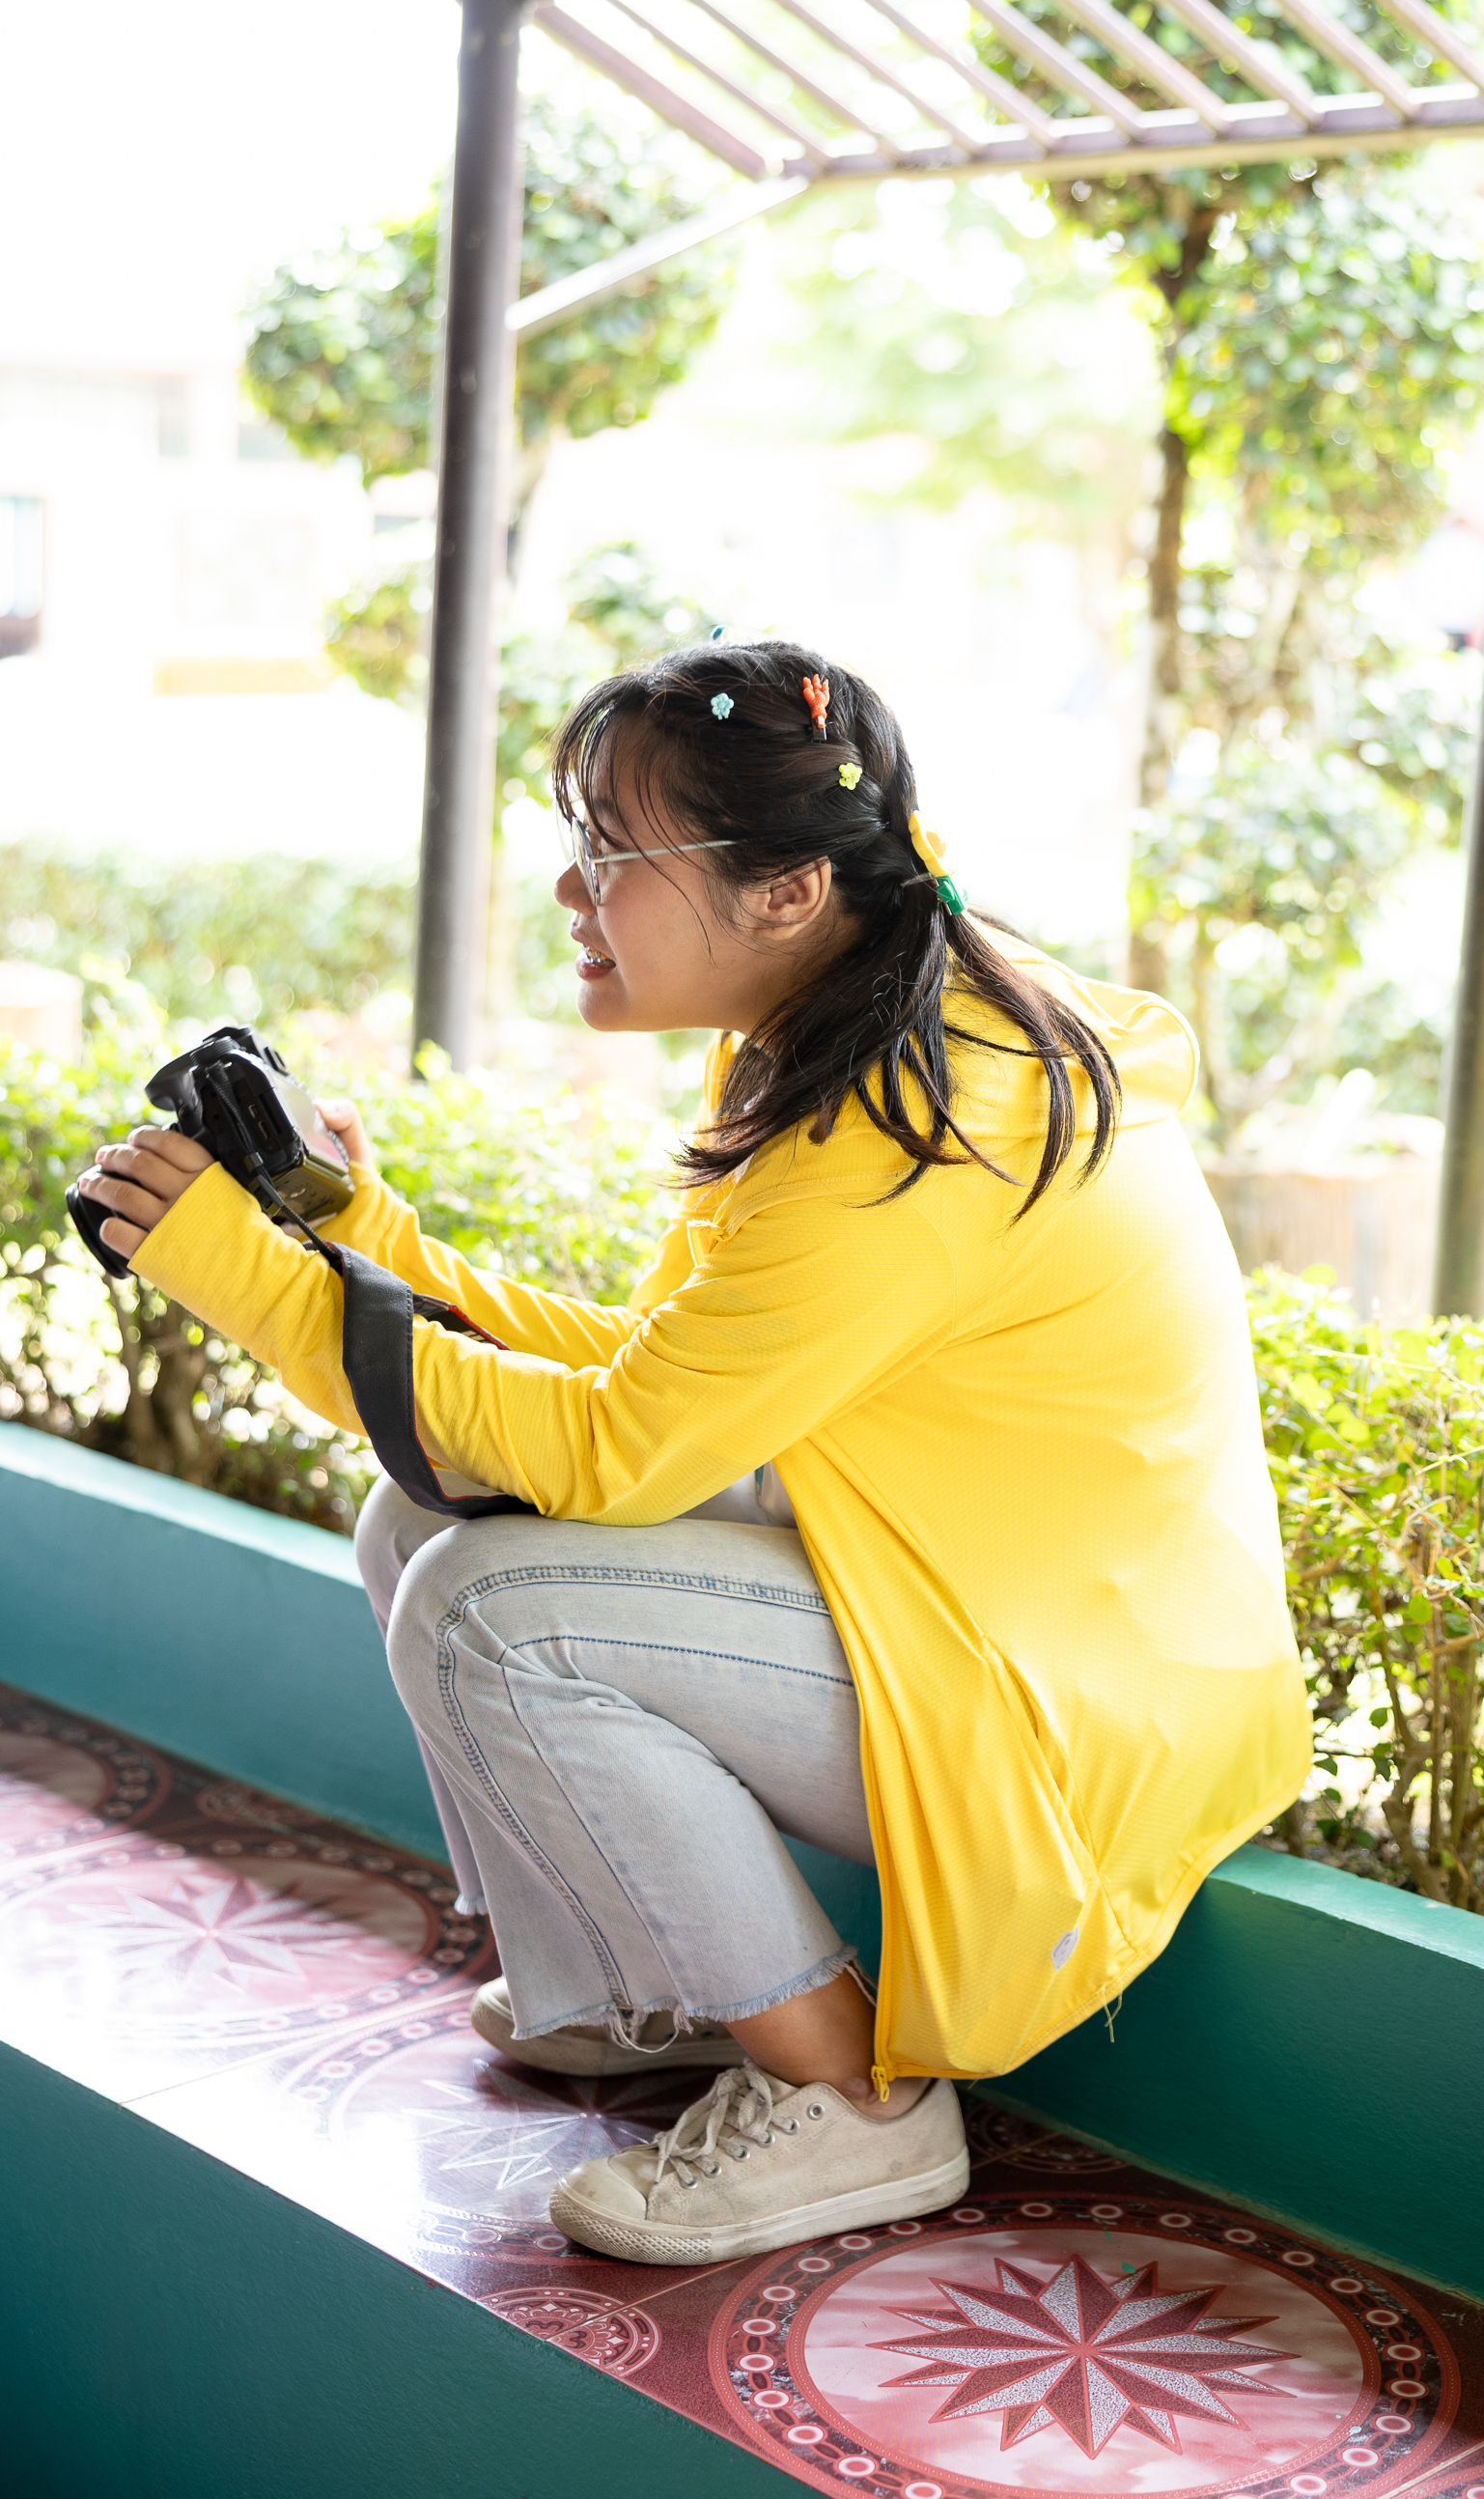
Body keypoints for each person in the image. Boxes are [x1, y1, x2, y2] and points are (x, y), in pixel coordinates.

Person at [77, 641, 1312, 2265]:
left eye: (612, 854)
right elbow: (663, 1381)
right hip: (958, 1590)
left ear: (788, 890)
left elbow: (624, 1451)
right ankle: (643, 1988)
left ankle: (854, 2098)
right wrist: (366, 1242)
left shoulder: (912, 1123)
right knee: (420, 1520)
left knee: (488, 1605)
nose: (569, 892)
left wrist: (257, 1286)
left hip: (1060, 1704)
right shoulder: (859, 1029)